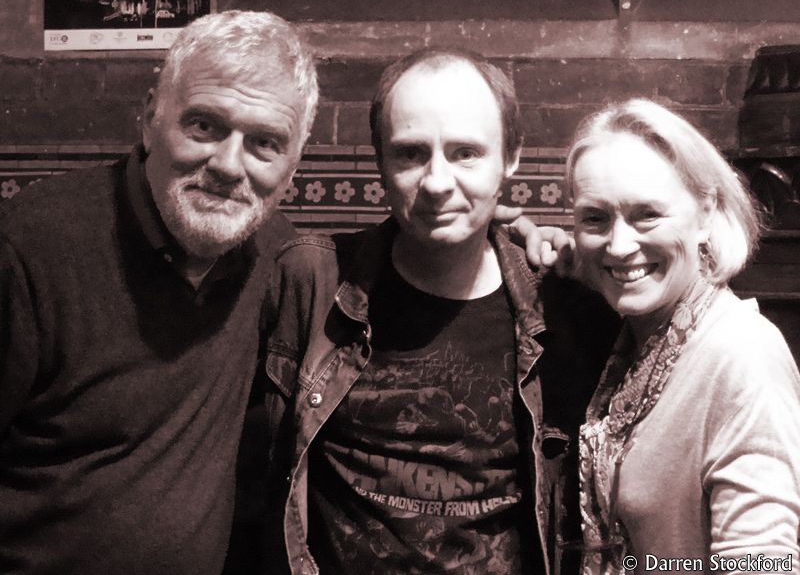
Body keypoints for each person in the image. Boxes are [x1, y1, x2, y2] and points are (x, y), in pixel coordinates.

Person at [264, 47, 618, 575]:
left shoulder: (567, 307)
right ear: (380, 161)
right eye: (410, 153)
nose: (436, 182)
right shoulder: (312, 281)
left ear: (511, 157)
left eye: (465, 153)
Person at [0, 10, 318, 575]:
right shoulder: (27, 251)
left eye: (264, 143)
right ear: (150, 119)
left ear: (292, 168)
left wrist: (502, 244)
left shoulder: (279, 258)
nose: (227, 164)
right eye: (204, 125)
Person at [565, 99, 800, 574]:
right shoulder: (638, 337)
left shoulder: (740, 353)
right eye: (595, 218)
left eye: (647, 214)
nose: (619, 245)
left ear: (706, 213)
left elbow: (761, 563)